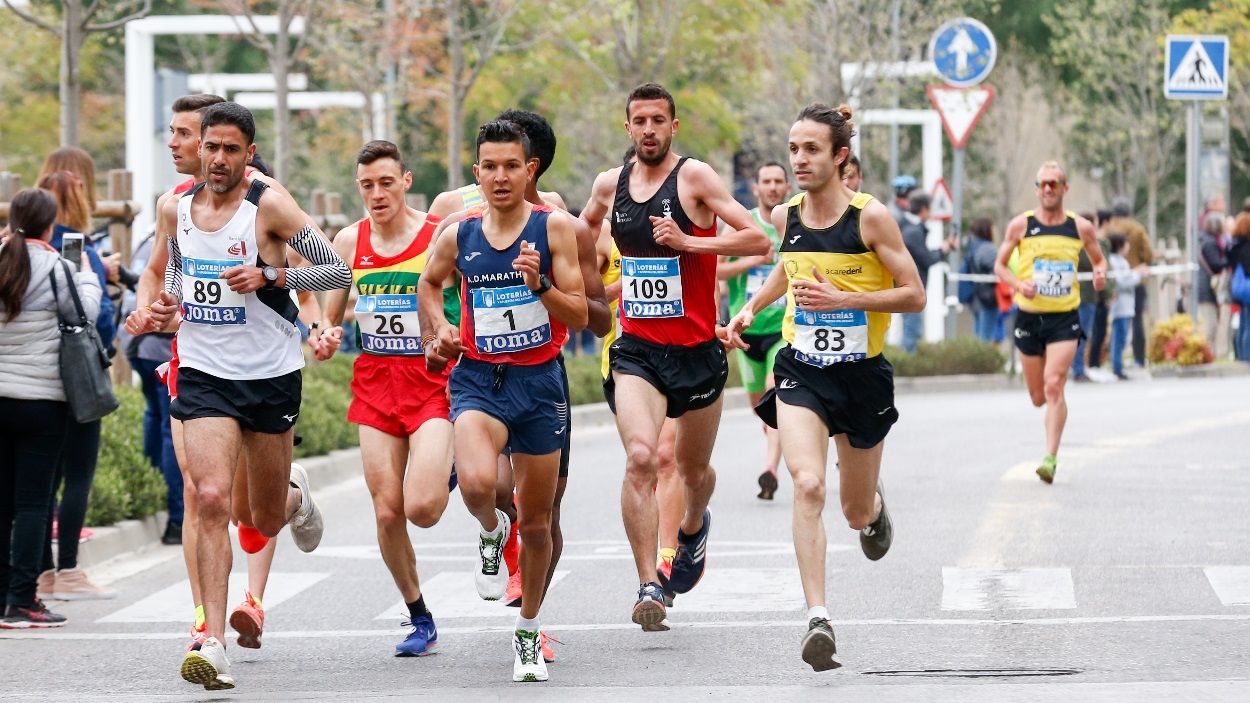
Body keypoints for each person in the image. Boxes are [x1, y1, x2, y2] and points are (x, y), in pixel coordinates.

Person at [136, 102, 347, 690]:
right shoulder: (174, 208)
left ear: (248, 154)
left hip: (270, 373)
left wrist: (272, 277)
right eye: (211, 148)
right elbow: (172, 273)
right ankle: (211, 640)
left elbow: (336, 272)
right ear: (199, 149)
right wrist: (161, 305)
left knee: (259, 517)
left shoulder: (268, 205)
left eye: (232, 150)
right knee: (209, 498)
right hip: (204, 370)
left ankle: (294, 496)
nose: (220, 159)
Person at [726, 103, 924, 671]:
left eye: (811, 149)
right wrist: (749, 309)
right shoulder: (786, 215)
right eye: (793, 149)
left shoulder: (871, 219)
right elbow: (785, 272)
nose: (799, 160)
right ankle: (818, 618)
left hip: (861, 377)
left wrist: (847, 301)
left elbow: (914, 294)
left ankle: (874, 508)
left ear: (840, 157)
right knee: (807, 484)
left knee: (853, 509)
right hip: (801, 370)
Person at [580, 82, 769, 630]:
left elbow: (756, 239)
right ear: (627, 127)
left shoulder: (695, 178)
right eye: (639, 121)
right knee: (644, 458)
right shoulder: (608, 185)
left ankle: (691, 526)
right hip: (636, 349)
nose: (648, 131)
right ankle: (649, 585)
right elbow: (582, 233)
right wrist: (589, 293)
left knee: (692, 470)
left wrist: (691, 244)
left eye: (658, 121)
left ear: (673, 126)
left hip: (697, 352)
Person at [426, 109, 611, 662]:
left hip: (539, 381)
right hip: (479, 377)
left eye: (511, 166)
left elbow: (581, 316)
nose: (500, 176)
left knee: (537, 519)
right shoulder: (457, 233)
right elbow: (429, 285)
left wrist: (540, 287)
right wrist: (439, 329)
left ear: (529, 170)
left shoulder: (553, 227)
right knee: (480, 486)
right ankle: (489, 529)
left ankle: (528, 628)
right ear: (476, 173)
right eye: (489, 167)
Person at [311, 140, 457, 657]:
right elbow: (327, 314)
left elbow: (465, 290)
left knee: (421, 508)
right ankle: (420, 616)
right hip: (375, 386)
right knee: (388, 512)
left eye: (386, 183)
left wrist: (450, 333)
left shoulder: (436, 235)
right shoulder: (350, 240)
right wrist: (323, 335)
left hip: (431, 383)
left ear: (406, 181)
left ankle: (448, 466)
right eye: (367, 185)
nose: (376, 194)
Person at [0, 188, 101, 628]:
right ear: (49, 225)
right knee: (33, 504)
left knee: (2, 502)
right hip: (43, 402)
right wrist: (86, 274)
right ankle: (22, 601)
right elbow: (86, 316)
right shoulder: (58, 267)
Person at [31, 168, 118, 601]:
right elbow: (95, 314)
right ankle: (68, 569)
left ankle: (42, 572)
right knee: (78, 472)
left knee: (42, 477)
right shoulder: (81, 250)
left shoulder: (16, 251)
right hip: (77, 374)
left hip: (35, 378)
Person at [994, 161, 1106, 484]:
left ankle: (1050, 458)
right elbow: (1000, 266)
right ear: (1036, 188)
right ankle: (1048, 431)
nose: (1047, 190)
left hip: (1064, 317)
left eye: (1053, 184)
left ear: (1064, 189)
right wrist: (1018, 285)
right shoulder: (1021, 225)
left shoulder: (1080, 227)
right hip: (1029, 316)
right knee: (1037, 396)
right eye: (1042, 184)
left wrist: (1100, 274)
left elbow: (1099, 260)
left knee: (1054, 384)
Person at [717, 161, 790, 499]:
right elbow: (716, 270)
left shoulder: (792, 223)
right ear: (757, 188)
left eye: (779, 181)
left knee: (775, 393)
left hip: (782, 330)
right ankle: (777, 438)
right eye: (767, 182)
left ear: (787, 187)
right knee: (761, 405)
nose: (773, 187)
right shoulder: (740, 225)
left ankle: (770, 469)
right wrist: (753, 260)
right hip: (744, 331)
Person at [899, 191, 955, 353]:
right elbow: (926, 259)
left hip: (906, 288)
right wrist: (944, 249)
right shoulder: (913, 232)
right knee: (912, 332)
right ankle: (906, 369)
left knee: (911, 330)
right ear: (923, 209)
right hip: (910, 289)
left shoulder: (908, 228)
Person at [1108, 198, 1152, 367]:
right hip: (1136, 279)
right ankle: (1139, 358)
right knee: (1137, 319)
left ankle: (1110, 360)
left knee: (1111, 322)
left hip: (1111, 280)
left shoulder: (1109, 229)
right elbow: (1148, 253)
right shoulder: (1137, 229)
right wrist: (1139, 265)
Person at [1106, 234, 1146, 380]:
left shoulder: (1121, 261)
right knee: (1119, 338)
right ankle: (1117, 367)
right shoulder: (1116, 262)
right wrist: (1137, 275)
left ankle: (1118, 365)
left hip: (1126, 305)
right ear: (1120, 245)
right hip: (1121, 306)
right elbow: (1121, 282)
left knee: (1121, 338)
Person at [1197, 213, 1228, 355]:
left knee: (1212, 323)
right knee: (1209, 325)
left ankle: (1211, 353)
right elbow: (1216, 263)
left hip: (1208, 287)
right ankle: (1207, 354)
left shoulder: (1207, 240)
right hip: (1207, 288)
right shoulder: (1210, 243)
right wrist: (1231, 259)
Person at [965, 217, 999, 342]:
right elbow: (999, 267)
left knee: (979, 334)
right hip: (987, 297)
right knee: (986, 337)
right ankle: (982, 360)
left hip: (975, 297)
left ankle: (977, 359)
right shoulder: (988, 249)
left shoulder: (972, 246)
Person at [1227, 212, 1250, 361]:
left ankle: (1241, 355)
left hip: (1237, 289)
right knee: (1247, 324)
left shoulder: (1233, 245)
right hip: (1247, 289)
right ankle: (1246, 356)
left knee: (1242, 323)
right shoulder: (1246, 247)